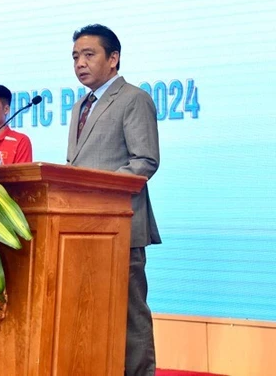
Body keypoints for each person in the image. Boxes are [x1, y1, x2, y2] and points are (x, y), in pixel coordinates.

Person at [67, 24, 160, 376]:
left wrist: (94, 189)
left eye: (89, 54)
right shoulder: (80, 106)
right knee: (92, 312)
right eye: (75, 56)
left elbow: (144, 161)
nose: (80, 63)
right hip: (82, 228)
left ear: (113, 58)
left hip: (121, 225)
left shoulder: (134, 98)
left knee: (129, 315)